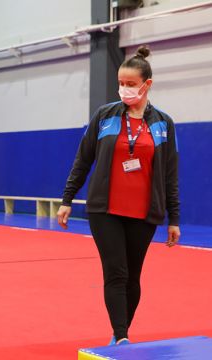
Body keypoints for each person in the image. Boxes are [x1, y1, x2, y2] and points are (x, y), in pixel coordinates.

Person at [57, 45, 180, 346]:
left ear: (146, 85)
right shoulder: (105, 116)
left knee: (133, 277)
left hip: (145, 213)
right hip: (105, 210)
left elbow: (170, 174)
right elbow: (83, 160)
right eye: (120, 84)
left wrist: (174, 218)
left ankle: (118, 331)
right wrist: (67, 199)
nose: (124, 90)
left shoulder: (163, 124)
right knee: (116, 272)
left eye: (130, 84)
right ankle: (122, 337)